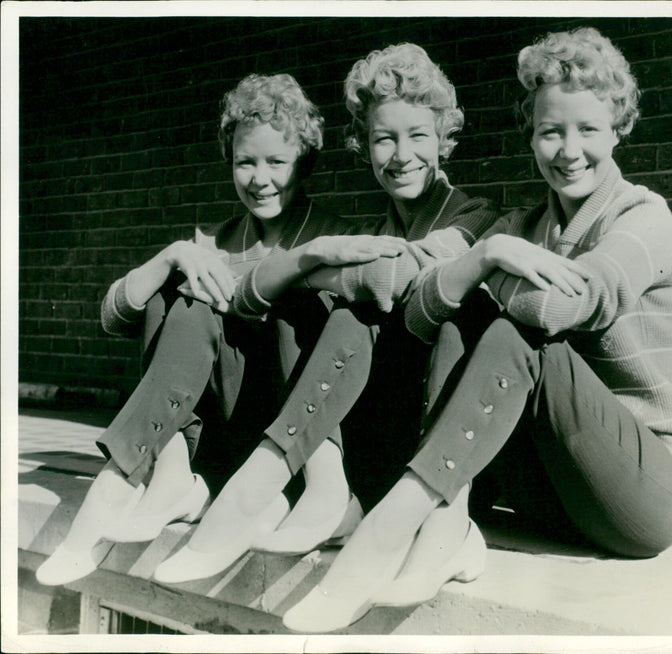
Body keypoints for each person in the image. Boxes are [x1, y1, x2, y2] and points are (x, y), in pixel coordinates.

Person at [280, 27, 672, 633]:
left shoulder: (643, 215)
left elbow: (567, 306)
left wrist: (488, 267)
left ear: (619, 128)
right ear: (530, 137)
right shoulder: (520, 224)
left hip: (646, 495)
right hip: (547, 491)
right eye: (550, 131)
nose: (568, 150)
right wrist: (484, 259)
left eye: (587, 129)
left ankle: (396, 521)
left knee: (513, 330)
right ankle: (447, 521)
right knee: (466, 309)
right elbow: (418, 313)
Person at [152, 42, 514, 584]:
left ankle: (416, 518)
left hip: (434, 446)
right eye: (383, 138)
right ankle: (320, 491)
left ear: (445, 140)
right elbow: (250, 295)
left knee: (325, 299)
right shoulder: (370, 231)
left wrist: (309, 265)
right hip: (370, 438)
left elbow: (397, 279)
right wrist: (315, 265)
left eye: (417, 136)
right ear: (363, 146)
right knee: (309, 301)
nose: (400, 155)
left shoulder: (475, 217)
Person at [36, 73, 408, 586]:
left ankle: (123, 491)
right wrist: (172, 256)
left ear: (304, 162)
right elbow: (113, 316)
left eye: (276, 162)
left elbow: (377, 303)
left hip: (292, 434)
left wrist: (299, 265)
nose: (259, 179)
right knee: (176, 292)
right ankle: (160, 474)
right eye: (245, 162)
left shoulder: (332, 232)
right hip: (215, 433)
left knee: (286, 299)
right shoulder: (213, 239)